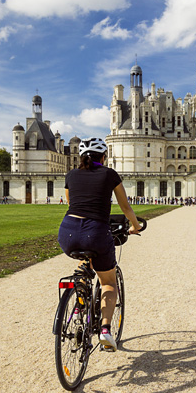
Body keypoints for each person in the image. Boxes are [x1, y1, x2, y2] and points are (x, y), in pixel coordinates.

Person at [57, 137, 142, 352]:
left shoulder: (71, 175)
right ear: (104, 157)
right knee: (109, 283)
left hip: (67, 232)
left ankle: (78, 305)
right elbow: (125, 207)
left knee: (84, 263)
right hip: (95, 232)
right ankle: (105, 330)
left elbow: (71, 202)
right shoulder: (109, 174)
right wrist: (135, 226)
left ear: (81, 157)